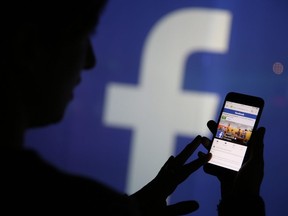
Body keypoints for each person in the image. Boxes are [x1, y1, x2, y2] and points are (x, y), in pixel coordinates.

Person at [0, 0, 265, 215]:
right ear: (29, 46)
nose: (90, 61)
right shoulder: (82, 204)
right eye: (83, 37)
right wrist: (240, 200)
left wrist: (135, 209)